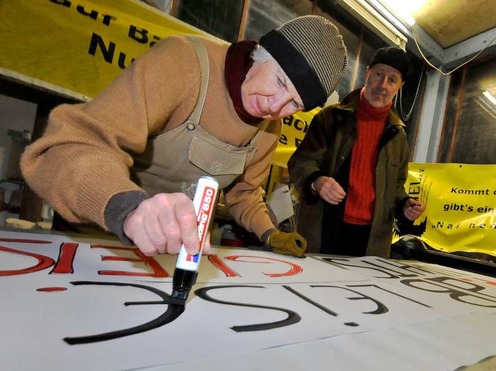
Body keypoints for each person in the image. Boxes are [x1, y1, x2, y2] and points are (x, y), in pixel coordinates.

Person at [20, 16, 347, 258]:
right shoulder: (184, 63)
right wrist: (130, 209)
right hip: (95, 239)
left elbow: (244, 195)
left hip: (168, 252)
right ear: (261, 52)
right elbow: (70, 148)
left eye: (294, 104)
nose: (275, 107)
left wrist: (271, 234)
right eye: (279, 82)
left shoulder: (268, 130)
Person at [288, 46, 425, 258]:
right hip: (325, 230)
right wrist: (318, 181)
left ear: (400, 86)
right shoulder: (331, 117)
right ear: (368, 73)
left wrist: (405, 205)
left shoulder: (398, 136)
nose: (382, 85)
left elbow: (396, 185)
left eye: (392, 80)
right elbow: (302, 161)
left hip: (371, 240)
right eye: (379, 74)